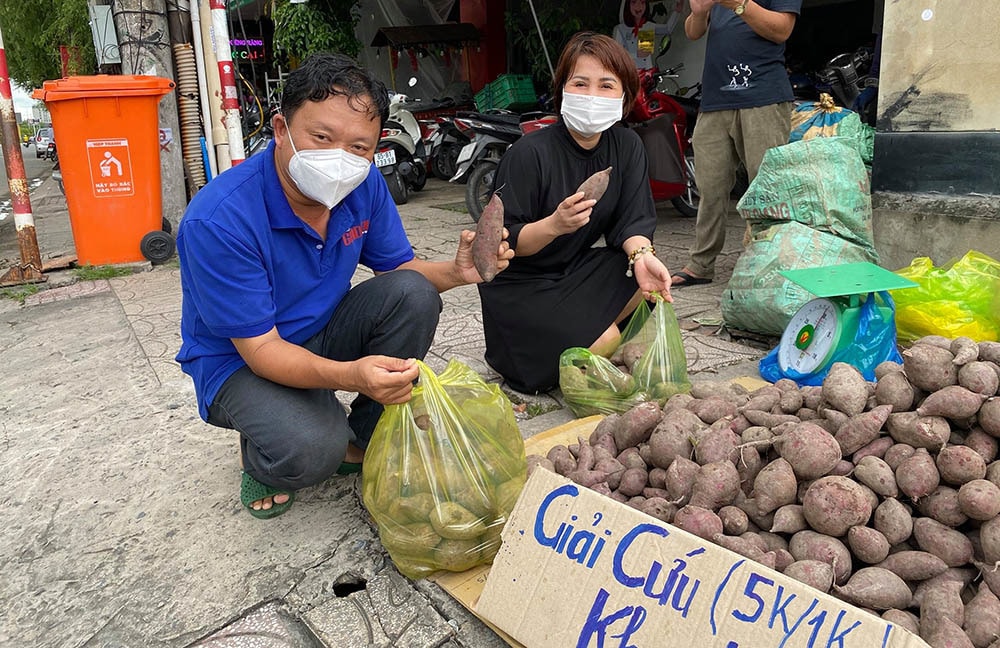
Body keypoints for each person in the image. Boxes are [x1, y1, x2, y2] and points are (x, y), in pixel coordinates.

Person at [175, 53, 512, 519]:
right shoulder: (220, 220)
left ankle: (367, 432)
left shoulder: (364, 185)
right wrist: (352, 376)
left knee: (414, 294)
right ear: (280, 129)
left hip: (322, 330)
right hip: (240, 360)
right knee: (312, 450)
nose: (340, 159)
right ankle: (261, 454)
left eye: (359, 147)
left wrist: (458, 272)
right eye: (321, 137)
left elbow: (401, 271)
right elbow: (261, 350)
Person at [477, 31, 674, 395]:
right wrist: (554, 225)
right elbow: (502, 245)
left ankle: (581, 335)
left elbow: (633, 220)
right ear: (562, 90)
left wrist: (643, 254)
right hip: (521, 285)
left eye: (606, 85)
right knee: (603, 341)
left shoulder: (627, 145)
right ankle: (564, 342)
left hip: (572, 270)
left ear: (625, 96)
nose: (592, 96)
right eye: (580, 83)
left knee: (644, 280)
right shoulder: (529, 153)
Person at [670, 0, 800, 287]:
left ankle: (768, 264)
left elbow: (782, 30)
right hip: (716, 99)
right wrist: (700, 12)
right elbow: (693, 32)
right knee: (710, 185)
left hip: (763, 97)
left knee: (767, 188)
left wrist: (739, 4)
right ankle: (700, 265)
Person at [613, 0, 685, 70]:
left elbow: (667, 29)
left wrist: (676, 12)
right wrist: (636, 54)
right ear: (627, 5)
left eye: (642, 2)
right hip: (629, 73)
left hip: (647, 74)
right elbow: (617, 56)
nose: (638, 6)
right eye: (633, 2)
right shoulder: (620, 29)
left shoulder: (648, 26)